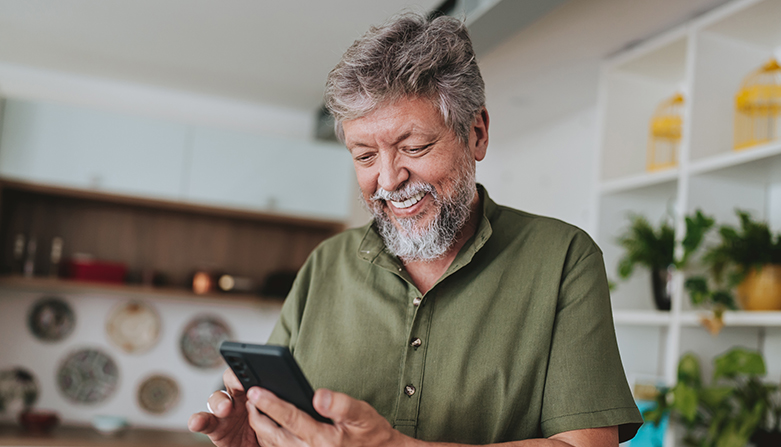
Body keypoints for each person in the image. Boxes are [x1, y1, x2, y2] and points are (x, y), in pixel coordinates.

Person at [188, 12, 642, 447]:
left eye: (415, 146)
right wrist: (257, 440)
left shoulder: (564, 259)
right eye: (365, 156)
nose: (388, 180)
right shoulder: (326, 263)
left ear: (477, 133)